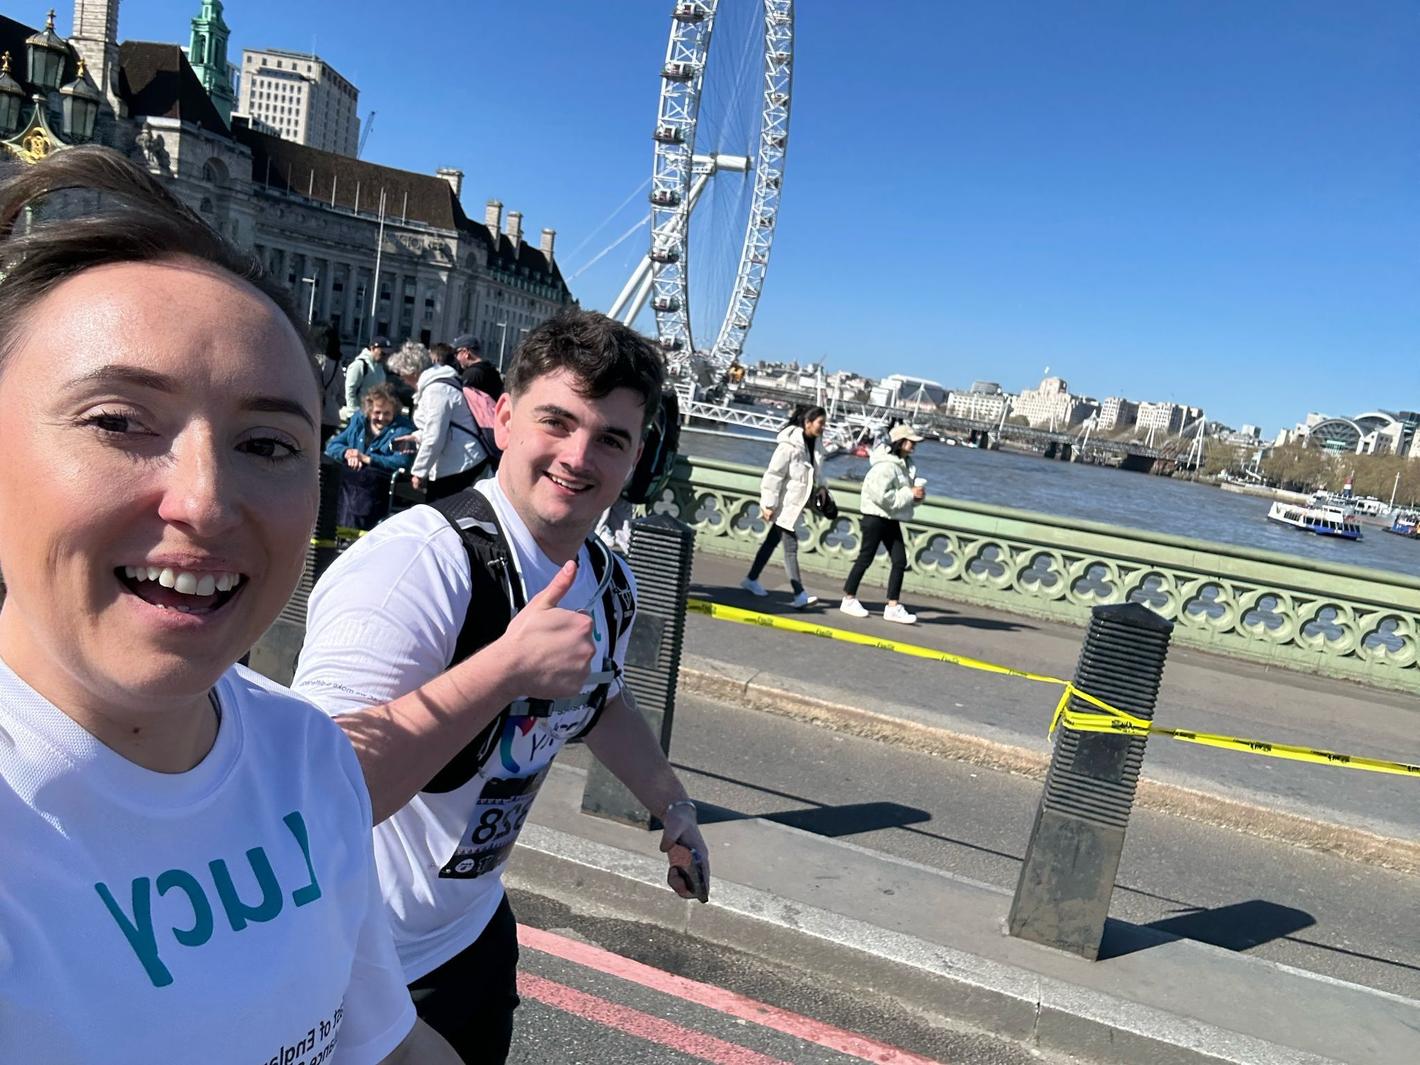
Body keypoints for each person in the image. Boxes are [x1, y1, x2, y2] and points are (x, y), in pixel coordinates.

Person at [0, 146, 460, 1062]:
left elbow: (385, 1043)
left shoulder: (308, 757)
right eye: (119, 422)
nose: (206, 502)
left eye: (268, 444)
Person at [293, 308, 709, 1064]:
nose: (578, 457)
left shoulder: (606, 580)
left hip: (473, 932)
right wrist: (504, 670)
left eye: (610, 439)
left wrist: (673, 805)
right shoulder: (414, 567)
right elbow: (318, 793)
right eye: (557, 422)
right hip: (357, 957)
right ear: (506, 419)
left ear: (636, 456)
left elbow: (599, 701)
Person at [740, 405, 827, 609]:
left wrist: (823, 488)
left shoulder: (815, 445)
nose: (824, 427)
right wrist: (768, 504)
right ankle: (799, 594)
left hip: (796, 504)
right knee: (790, 548)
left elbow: (816, 473)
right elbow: (774, 475)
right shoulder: (788, 446)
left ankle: (751, 579)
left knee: (771, 542)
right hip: (785, 504)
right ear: (808, 423)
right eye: (821, 423)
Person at [841, 424, 926, 624]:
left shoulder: (906, 465)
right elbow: (881, 496)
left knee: (899, 560)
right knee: (866, 558)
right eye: (911, 441)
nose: (914, 445)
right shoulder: (886, 466)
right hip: (875, 517)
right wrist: (910, 494)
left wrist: (917, 496)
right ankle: (848, 599)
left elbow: (902, 498)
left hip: (890, 517)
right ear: (900, 442)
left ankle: (892, 606)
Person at [395, 343, 489, 500]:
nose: (402, 380)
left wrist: (419, 472)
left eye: (401, 374)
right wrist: (416, 437)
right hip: (464, 458)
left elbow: (435, 435)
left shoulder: (436, 390)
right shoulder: (440, 384)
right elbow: (439, 428)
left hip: (462, 461)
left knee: (441, 507)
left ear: (412, 371)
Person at [324, 383, 417, 530]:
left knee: (359, 480)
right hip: (351, 474)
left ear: (394, 412)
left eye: (387, 413)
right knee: (331, 476)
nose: (381, 418)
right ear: (369, 411)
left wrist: (368, 459)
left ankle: (349, 529)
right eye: (377, 412)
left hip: (380, 481)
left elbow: (402, 461)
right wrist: (348, 453)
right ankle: (331, 527)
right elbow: (333, 446)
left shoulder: (403, 429)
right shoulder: (358, 421)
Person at [461, 358, 504, 468]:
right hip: (494, 420)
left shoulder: (471, 375)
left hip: (481, 428)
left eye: (457, 353)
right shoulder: (490, 369)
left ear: (466, 353)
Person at [344, 335, 391, 421]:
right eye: (383, 353)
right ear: (372, 348)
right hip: (358, 416)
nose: (385, 357)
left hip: (373, 416)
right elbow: (350, 391)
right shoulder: (359, 365)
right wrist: (353, 413)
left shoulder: (380, 368)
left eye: (387, 354)